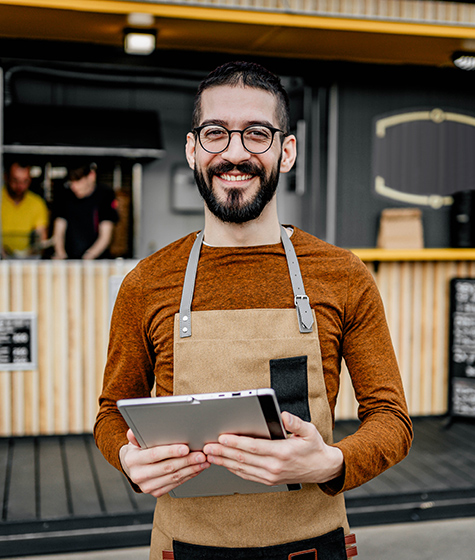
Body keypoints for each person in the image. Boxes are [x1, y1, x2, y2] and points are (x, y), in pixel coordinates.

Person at [94, 61, 413, 560]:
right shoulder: (146, 283)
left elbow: (392, 419)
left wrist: (331, 462)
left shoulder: (343, 275)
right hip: (183, 547)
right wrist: (127, 457)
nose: (235, 153)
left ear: (286, 152)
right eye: (216, 133)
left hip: (311, 546)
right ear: (192, 149)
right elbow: (112, 411)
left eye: (257, 134)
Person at [53, 162, 118, 260]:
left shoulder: (105, 194)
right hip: (68, 260)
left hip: (97, 261)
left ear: (91, 176)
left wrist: (88, 258)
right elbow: (58, 231)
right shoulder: (64, 195)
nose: (74, 187)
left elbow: (105, 236)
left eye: (78, 181)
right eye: (71, 182)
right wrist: (61, 255)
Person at [1, 161, 49, 258]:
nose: (20, 186)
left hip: (27, 258)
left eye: (25, 181)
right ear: (6, 177)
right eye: (15, 180)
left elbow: (41, 237)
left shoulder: (37, 203)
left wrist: (33, 251)